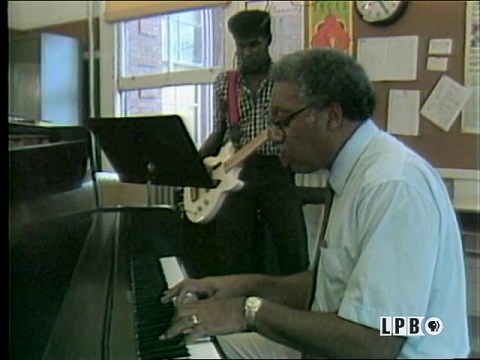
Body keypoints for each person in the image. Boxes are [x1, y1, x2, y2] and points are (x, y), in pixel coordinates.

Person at [160, 47, 471, 359]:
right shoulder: (351, 172)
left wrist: (247, 312)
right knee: (188, 347)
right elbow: (329, 287)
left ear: (332, 116)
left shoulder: (391, 186)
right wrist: (240, 288)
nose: (274, 136)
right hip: (340, 346)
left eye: (282, 120)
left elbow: (377, 340)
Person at [197, 10, 308, 276]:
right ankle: (234, 308)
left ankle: (297, 309)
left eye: (254, 45)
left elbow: (300, 127)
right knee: (232, 254)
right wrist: (195, 164)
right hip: (236, 172)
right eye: (241, 46)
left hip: (277, 170)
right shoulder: (226, 83)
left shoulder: (286, 79)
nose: (247, 53)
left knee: (292, 250)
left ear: (268, 40)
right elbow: (218, 132)